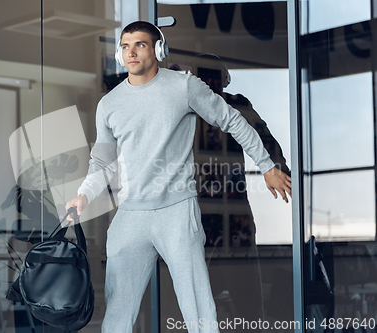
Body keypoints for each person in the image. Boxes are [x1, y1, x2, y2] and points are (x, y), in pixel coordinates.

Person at [65, 21, 291, 333]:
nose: (131, 52)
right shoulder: (109, 105)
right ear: (119, 54)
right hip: (130, 214)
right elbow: (101, 163)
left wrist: (267, 166)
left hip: (177, 213)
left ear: (158, 50)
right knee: (117, 314)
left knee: (198, 310)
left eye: (140, 44)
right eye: (125, 46)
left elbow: (233, 120)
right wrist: (84, 195)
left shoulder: (183, 87)